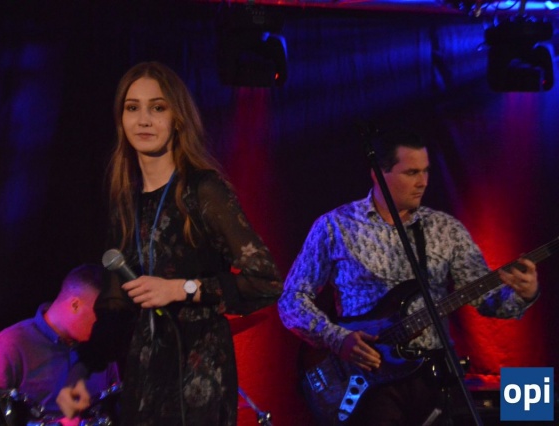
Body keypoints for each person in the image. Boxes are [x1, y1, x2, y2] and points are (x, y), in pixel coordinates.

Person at [55, 61, 283, 426]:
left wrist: (182, 289)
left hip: (199, 379)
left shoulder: (203, 190)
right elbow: (115, 306)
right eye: (133, 108)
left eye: (157, 108)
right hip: (144, 379)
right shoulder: (125, 203)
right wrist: (81, 370)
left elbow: (266, 281)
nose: (144, 120)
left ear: (177, 118)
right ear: (121, 120)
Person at [277, 129, 540, 425]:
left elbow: (488, 301)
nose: (423, 182)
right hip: (368, 378)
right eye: (412, 172)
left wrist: (523, 294)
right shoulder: (335, 226)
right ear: (379, 174)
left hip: (434, 376)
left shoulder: (445, 229)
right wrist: (338, 339)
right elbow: (291, 300)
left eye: (426, 171)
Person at [0, 264, 120, 424]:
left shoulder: (101, 348)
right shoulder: (6, 348)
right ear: (75, 305)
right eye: (102, 315)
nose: (107, 325)